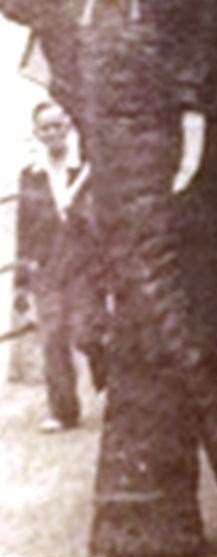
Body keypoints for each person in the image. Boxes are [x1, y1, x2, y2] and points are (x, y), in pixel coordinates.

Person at [13, 101, 105, 431]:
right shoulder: (31, 174)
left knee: (87, 333)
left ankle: (103, 370)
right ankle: (63, 411)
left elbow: (101, 217)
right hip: (48, 266)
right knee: (52, 339)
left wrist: (78, 212)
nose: (53, 133)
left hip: (83, 263)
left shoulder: (84, 168)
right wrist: (22, 282)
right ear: (37, 133)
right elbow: (24, 227)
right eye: (45, 128)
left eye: (58, 126)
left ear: (68, 128)